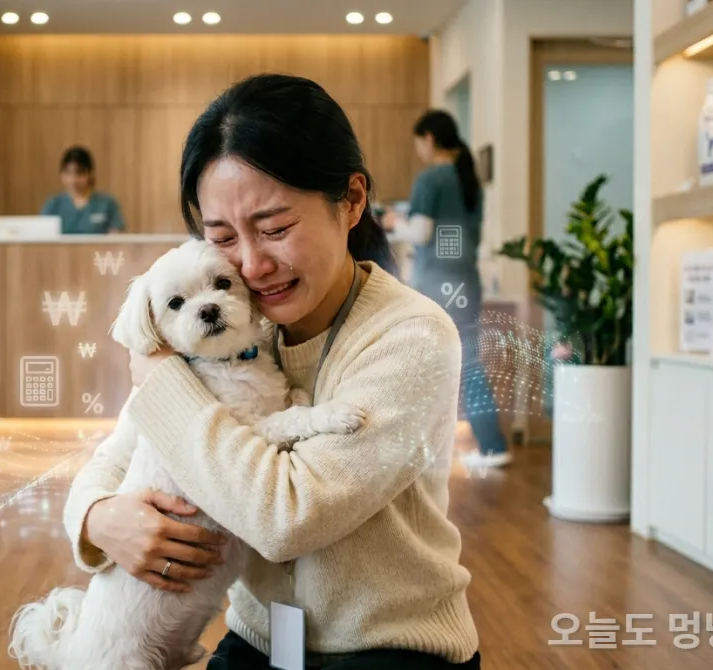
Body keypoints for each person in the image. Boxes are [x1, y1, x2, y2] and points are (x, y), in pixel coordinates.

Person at [63, 74, 482, 669]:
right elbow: (114, 458)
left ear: (351, 200)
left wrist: (161, 382)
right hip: (262, 640)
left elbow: (286, 518)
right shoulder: (235, 334)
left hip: (390, 645)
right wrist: (98, 518)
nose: (253, 265)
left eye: (275, 229)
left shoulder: (411, 336)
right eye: (223, 238)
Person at [383, 109, 510, 470]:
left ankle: (418, 449)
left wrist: (392, 222)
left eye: (419, 144)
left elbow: (422, 233)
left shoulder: (431, 179)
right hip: (465, 281)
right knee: (466, 361)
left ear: (429, 139)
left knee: (425, 363)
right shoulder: (469, 180)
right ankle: (490, 443)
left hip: (437, 283)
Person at [41, 145, 126, 234]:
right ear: (62, 175)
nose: (73, 180)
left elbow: (115, 235)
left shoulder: (106, 204)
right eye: (68, 173)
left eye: (79, 173)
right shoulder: (53, 205)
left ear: (89, 174)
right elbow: (43, 235)